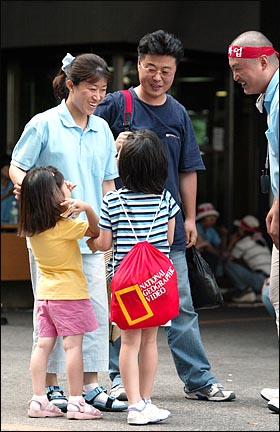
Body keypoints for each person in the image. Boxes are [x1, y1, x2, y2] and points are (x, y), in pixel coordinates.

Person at [94, 29, 236, 402]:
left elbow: (188, 169)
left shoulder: (178, 114)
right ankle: (118, 383)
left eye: (167, 71)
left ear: (175, 72)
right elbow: (87, 143)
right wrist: (112, 144)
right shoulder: (115, 105)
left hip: (165, 229)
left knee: (179, 307)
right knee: (121, 311)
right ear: (138, 64)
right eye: (151, 68)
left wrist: (190, 219)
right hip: (123, 229)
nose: (158, 77)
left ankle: (199, 380)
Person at [9, 52, 127, 412]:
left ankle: (89, 385)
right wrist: (32, 190)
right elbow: (17, 168)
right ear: (71, 84)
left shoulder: (103, 128)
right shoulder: (43, 124)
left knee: (91, 309)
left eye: (103, 90)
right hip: (49, 237)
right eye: (91, 88)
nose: (97, 96)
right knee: (51, 311)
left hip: (89, 234)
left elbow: (108, 183)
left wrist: (111, 224)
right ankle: (51, 387)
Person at [88, 129, 180, 424]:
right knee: (151, 342)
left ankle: (135, 406)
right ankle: (147, 401)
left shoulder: (112, 201)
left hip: (126, 284)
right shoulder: (165, 199)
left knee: (128, 344)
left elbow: (104, 244)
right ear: (159, 166)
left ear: (123, 166)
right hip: (156, 284)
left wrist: (90, 241)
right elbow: (167, 240)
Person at [19, 166, 103, 419]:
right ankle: (77, 401)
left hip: (46, 294)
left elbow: (56, 212)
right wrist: (86, 207)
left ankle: (38, 400)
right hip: (70, 293)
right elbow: (95, 231)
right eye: (61, 186)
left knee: (42, 346)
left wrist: (64, 193)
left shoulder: (34, 228)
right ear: (53, 194)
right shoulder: (66, 227)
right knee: (73, 346)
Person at [228, 30, 279, 414]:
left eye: (239, 68)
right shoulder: (270, 99)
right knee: (276, 294)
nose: (236, 77)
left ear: (263, 62)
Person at [223, 215, 272, 303]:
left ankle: (244, 292)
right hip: (270, 280)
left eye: (239, 228)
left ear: (243, 230)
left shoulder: (242, 244)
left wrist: (232, 242)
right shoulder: (261, 241)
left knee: (228, 265)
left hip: (260, 280)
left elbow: (228, 258)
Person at [195, 202, 228, 279]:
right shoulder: (195, 228)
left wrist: (224, 237)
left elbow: (220, 250)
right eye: (209, 217)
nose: (213, 219)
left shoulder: (211, 231)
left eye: (214, 217)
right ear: (202, 218)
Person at [1, 154, 16, 223]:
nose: (9, 170)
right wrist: (8, 194)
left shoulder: (14, 185)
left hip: (11, 222)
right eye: (7, 167)